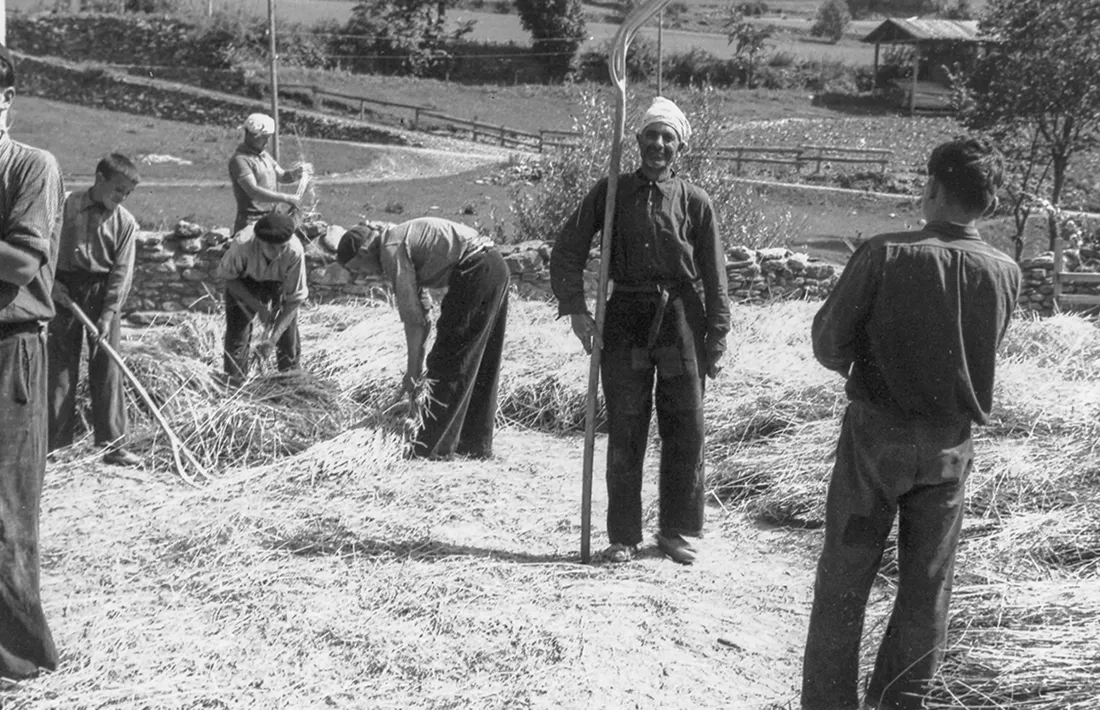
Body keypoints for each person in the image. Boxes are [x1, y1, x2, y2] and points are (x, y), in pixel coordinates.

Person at [801, 137, 1022, 710]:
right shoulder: (1005, 271)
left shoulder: (885, 252)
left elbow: (828, 344)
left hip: (877, 438)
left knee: (845, 581)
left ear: (932, 187)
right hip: (950, 448)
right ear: (987, 201)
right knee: (926, 595)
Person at [549, 97, 731, 565]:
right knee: (627, 426)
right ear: (637, 141)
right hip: (626, 318)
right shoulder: (610, 194)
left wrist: (718, 332)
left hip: (680, 322)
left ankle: (675, 532)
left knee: (685, 424)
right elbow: (567, 249)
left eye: (667, 138)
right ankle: (624, 536)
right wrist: (576, 311)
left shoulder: (695, 201)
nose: (658, 145)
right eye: (651, 135)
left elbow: (714, 274)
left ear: (680, 146)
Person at [337, 217, 509, 459]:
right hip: (493, 266)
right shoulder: (397, 238)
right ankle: (473, 445)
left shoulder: (391, 249)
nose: (360, 277)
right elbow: (422, 311)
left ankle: (431, 448)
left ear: (365, 251)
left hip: (476, 269)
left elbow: (413, 319)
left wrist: (413, 371)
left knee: (448, 360)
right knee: (478, 361)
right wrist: (416, 366)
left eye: (357, 268)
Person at [0, 41, 64, 680]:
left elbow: (21, 261)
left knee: (6, 508)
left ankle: (19, 658)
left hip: (8, 352)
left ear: (7, 100)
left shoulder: (29, 167)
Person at [48, 153, 142, 466]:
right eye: (118, 189)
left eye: (127, 193)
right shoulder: (63, 206)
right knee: (60, 368)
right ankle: (56, 444)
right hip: (63, 291)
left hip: (102, 294)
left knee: (107, 367)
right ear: (99, 179)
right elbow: (45, 248)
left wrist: (108, 313)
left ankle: (112, 445)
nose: (122, 197)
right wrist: (51, 286)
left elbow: (121, 273)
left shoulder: (125, 223)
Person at [217, 211, 307, 385]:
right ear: (259, 241)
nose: (278, 253)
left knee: (287, 337)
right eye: (271, 248)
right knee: (238, 333)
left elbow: (295, 299)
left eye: (282, 247)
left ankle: (291, 382)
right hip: (244, 281)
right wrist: (259, 308)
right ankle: (235, 384)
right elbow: (229, 278)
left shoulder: (295, 251)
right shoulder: (243, 244)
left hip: (279, 281)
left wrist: (272, 340)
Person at [228, 112, 305, 234]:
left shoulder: (264, 155)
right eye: (264, 138)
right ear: (252, 136)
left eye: (268, 138)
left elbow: (283, 176)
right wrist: (286, 198)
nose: (266, 142)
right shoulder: (240, 160)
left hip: (271, 217)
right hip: (251, 221)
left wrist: (297, 173)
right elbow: (253, 191)